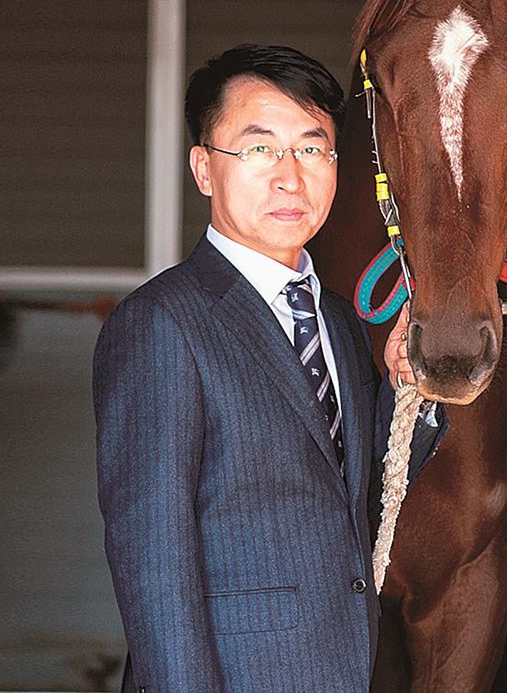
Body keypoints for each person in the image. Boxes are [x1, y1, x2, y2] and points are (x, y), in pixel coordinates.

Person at [94, 44, 447, 693]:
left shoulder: (340, 323)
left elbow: (353, 500)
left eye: (313, 148)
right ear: (204, 169)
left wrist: (408, 390)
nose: (291, 176)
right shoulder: (162, 324)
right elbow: (154, 562)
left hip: (344, 668)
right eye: (259, 148)